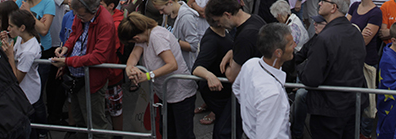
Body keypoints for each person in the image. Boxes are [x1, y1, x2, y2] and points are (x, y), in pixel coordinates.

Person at [298, 0, 367, 139]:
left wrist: (301, 69)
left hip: (328, 110)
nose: (320, 3)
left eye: (324, 1)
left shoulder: (324, 38)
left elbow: (311, 78)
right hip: (351, 106)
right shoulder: (355, 33)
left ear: (334, 7)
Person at [51, 0, 119, 136]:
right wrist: (66, 48)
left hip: (92, 80)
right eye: (77, 15)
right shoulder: (81, 15)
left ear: (94, 10)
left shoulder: (106, 23)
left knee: (96, 124)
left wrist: (67, 62)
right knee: (79, 119)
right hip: (76, 76)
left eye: (81, 15)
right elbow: (74, 34)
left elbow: (99, 57)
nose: (78, 18)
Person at [120, 12, 197, 139]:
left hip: (181, 94)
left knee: (183, 134)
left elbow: (172, 64)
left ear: (136, 37)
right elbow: (134, 54)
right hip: (166, 93)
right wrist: (130, 68)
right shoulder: (144, 35)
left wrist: (148, 76)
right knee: (167, 130)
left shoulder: (157, 37)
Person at [233, 23, 295, 139]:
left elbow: (236, 88)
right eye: (291, 44)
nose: (294, 46)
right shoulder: (272, 94)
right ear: (278, 53)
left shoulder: (250, 64)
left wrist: (251, 111)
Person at [0, 9, 46, 137]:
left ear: (22, 28)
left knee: (27, 130)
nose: (8, 28)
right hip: (24, 92)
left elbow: (16, 79)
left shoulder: (28, 52)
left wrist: (9, 55)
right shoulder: (22, 39)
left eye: (11, 26)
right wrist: (7, 42)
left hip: (27, 94)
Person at [347, 0, 383, 137]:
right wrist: (358, 33)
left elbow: (364, 42)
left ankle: (365, 134)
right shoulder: (354, 6)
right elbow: (345, 30)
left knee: (368, 103)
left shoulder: (376, 13)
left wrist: (352, 33)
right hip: (352, 61)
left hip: (367, 61)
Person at [192, 8, 235, 138]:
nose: (231, 17)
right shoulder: (212, 41)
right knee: (224, 126)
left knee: (224, 124)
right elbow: (197, 67)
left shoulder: (224, 32)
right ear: (219, 21)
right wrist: (210, 76)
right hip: (217, 92)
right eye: (227, 15)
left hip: (223, 90)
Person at [152, 0, 202, 74]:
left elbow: (193, 46)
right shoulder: (167, 14)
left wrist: (173, 41)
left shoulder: (186, 18)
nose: (161, 13)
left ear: (170, 2)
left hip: (185, 67)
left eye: (162, 9)